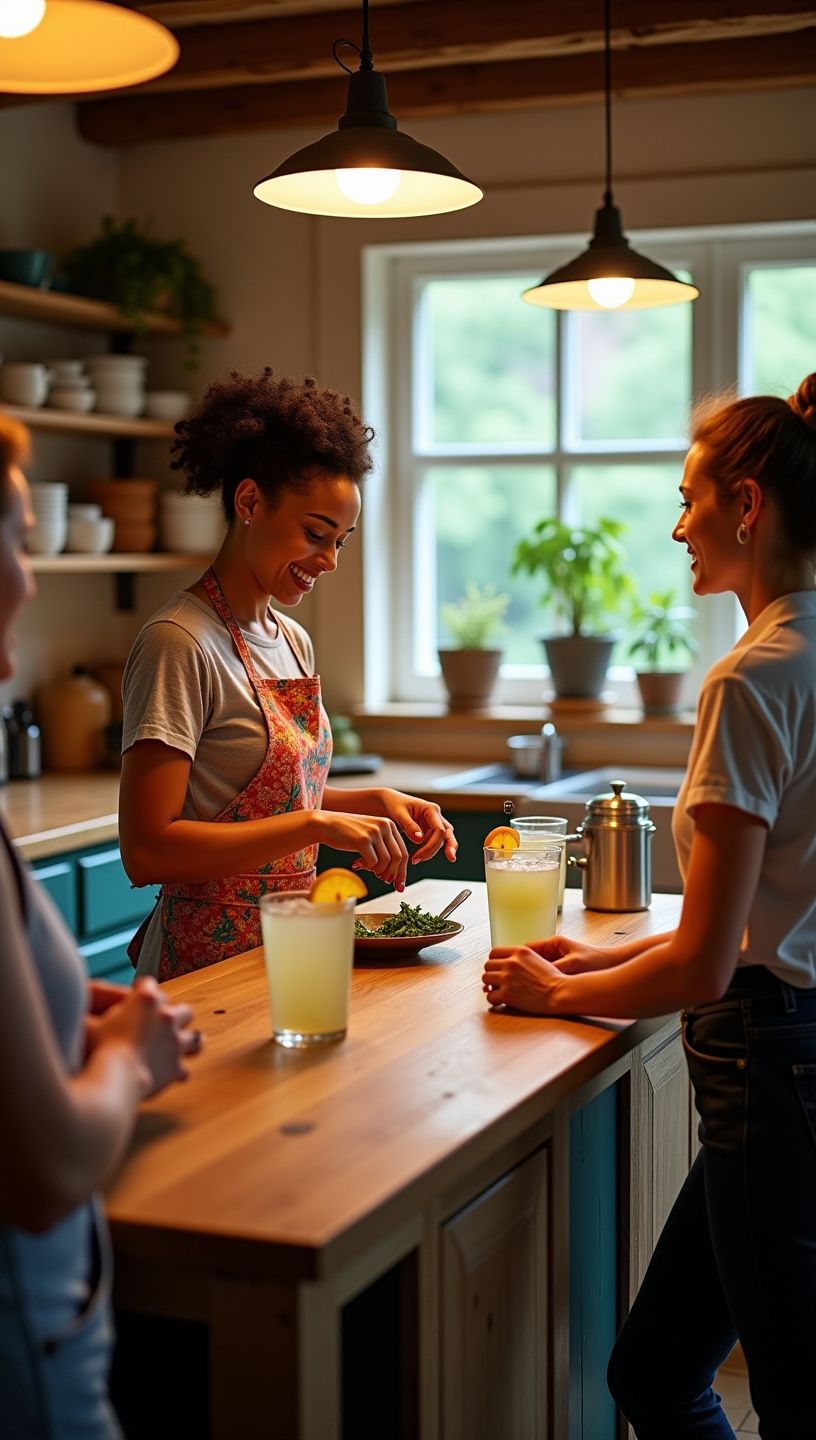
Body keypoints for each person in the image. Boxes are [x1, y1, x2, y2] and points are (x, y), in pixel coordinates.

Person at [481, 373, 816, 1438]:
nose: (678, 525)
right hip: (799, 1050)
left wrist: (546, 999)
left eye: (690, 497)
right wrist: (581, 962)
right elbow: (758, 914)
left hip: (765, 1070)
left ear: (748, 505)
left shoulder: (750, 680)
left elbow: (707, 970)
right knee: (657, 1372)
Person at [119, 369, 457, 981]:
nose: (328, 561)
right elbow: (148, 849)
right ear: (249, 502)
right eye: (315, 534)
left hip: (288, 951)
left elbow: (254, 800)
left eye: (342, 541)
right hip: (203, 968)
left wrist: (370, 804)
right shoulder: (180, 642)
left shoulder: (291, 639)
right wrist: (317, 823)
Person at [0, 415, 202, 1438]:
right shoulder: (176, 641)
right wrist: (125, 1055)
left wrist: (63, 1012)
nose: (30, 579)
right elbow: (43, 1170)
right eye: (17, 539)